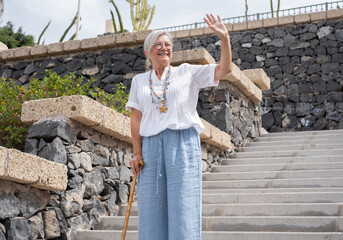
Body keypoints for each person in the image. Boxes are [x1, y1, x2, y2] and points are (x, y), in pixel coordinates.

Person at [125, 14, 232, 240]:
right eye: (158, 45)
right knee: (151, 211)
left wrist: (225, 39)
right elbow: (135, 118)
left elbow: (224, 70)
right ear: (147, 52)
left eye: (168, 45)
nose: (164, 48)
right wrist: (137, 152)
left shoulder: (186, 72)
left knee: (184, 208)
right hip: (151, 149)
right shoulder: (139, 81)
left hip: (182, 142)